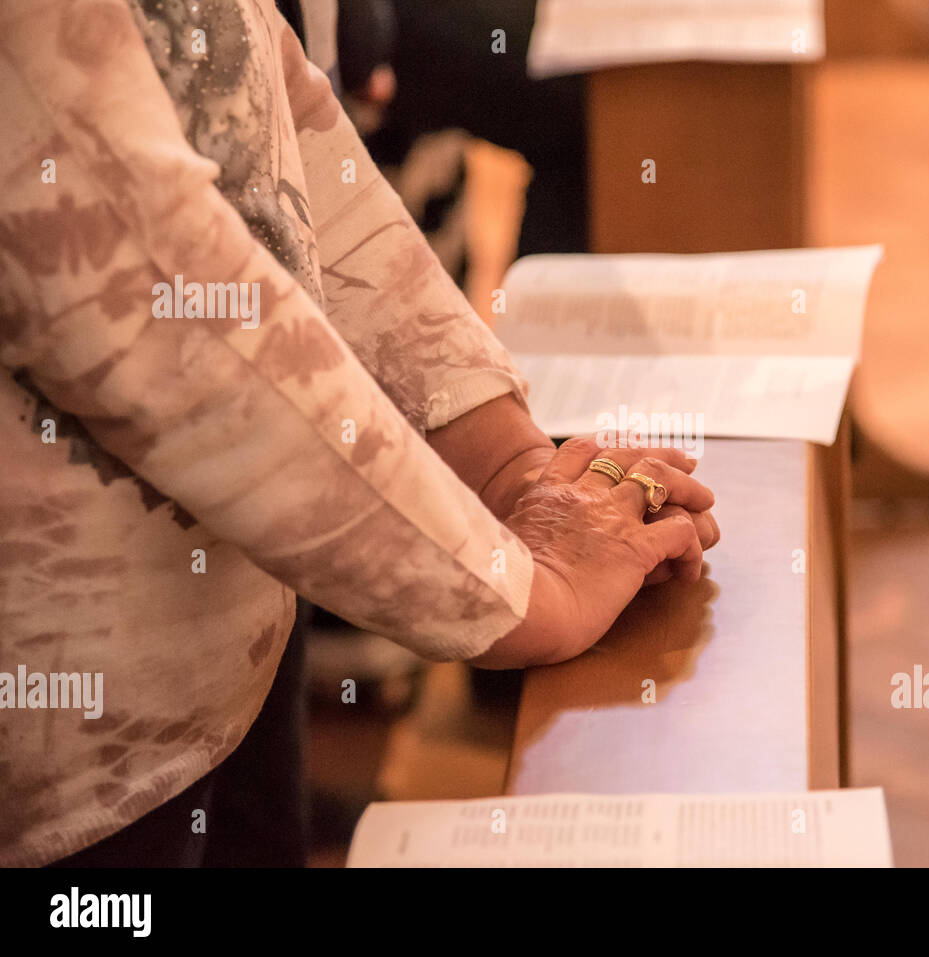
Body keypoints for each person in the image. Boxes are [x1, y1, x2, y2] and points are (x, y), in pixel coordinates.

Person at [0, 0, 718, 867]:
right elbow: (168, 304)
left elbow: (279, 131)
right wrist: (521, 591)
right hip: (76, 748)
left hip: (235, 649)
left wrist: (510, 467)